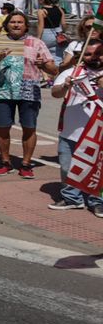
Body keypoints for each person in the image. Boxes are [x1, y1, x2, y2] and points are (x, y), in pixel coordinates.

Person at [0, 11, 59, 178]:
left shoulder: (36, 43)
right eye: (12, 22)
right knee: (2, 128)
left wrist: (43, 65)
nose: (16, 25)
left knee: (29, 128)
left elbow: (54, 70)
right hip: (3, 92)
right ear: (7, 25)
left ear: (26, 25)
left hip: (29, 91)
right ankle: (5, 162)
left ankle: (26, 164)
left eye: (20, 22)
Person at [49, 39, 103, 213]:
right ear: (81, 56)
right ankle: (72, 198)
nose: (94, 57)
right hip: (70, 131)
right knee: (67, 167)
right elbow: (55, 93)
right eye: (88, 54)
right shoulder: (73, 72)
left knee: (98, 169)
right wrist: (66, 86)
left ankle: (98, 201)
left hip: (98, 132)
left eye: (98, 53)